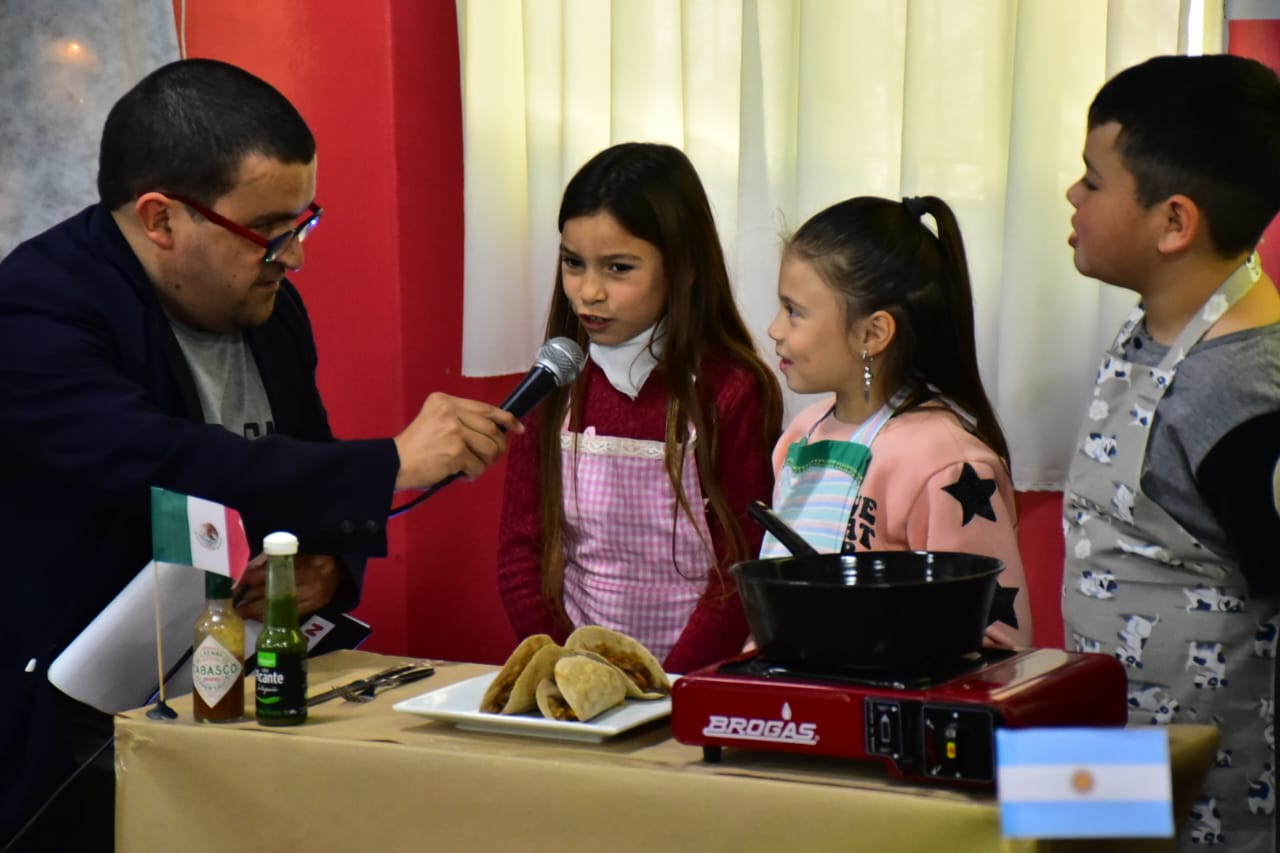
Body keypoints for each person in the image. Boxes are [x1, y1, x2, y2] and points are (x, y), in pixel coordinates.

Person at [0, 59, 519, 851]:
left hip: (239, 698)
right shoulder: (36, 310)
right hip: (73, 724)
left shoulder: (268, 306)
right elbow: (162, 464)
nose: (295, 255)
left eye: (304, 221)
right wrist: (389, 463)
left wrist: (326, 565)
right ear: (161, 219)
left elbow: (301, 463)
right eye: (270, 229)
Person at [1061, 54, 1280, 852]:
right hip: (1111, 762)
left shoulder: (1240, 388)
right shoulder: (1154, 325)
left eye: (1093, 180)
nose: (1073, 195)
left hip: (1213, 808)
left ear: (1174, 223)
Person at [496, 142, 783, 674]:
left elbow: (740, 562)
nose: (589, 291)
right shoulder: (552, 386)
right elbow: (519, 556)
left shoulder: (732, 389)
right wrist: (572, 670)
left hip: (693, 677)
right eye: (573, 264)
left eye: (618, 268)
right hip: (578, 674)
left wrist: (665, 688)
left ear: (685, 267)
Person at [763, 195, 1033, 649]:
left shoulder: (946, 465)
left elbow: (996, 639)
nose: (774, 329)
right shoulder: (799, 437)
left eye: (793, 311)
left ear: (872, 334)